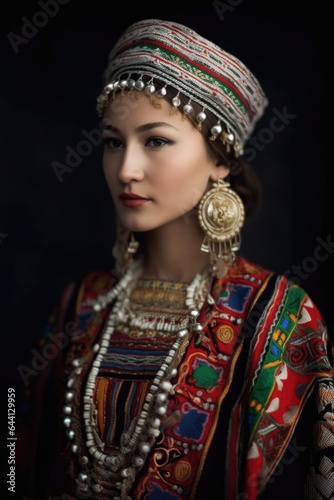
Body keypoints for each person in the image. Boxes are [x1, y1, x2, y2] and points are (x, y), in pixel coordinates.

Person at [16, 18, 334, 500]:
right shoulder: (81, 303)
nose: (126, 169)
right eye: (112, 141)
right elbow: (18, 464)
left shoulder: (278, 318)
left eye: (156, 140)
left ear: (221, 159)